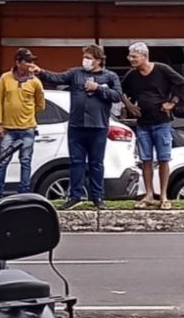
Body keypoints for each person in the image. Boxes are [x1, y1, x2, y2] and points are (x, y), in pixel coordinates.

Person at [34, 44, 122, 210]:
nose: (85, 61)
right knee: (76, 162)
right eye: (85, 57)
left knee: (96, 163)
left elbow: (117, 96)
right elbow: (57, 78)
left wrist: (97, 89)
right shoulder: (76, 74)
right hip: (76, 126)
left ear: (98, 60)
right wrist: (41, 72)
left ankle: (98, 197)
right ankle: (75, 196)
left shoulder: (110, 76)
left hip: (98, 126)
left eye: (89, 58)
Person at [121, 42, 184, 210]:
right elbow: (119, 90)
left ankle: (164, 195)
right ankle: (149, 194)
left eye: (134, 57)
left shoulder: (161, 69)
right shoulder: (132, 75)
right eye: (130, 57)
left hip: (162, 122)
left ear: (144, 56)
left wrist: (172, 103)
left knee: (164, 159)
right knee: (146, 160)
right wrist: (129, 106)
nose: (131, 60)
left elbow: (182, 84)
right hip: (143, 123)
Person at [0, 48, 44, 196]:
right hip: (8, 128)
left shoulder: (35, 82)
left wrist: (29, 115)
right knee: (2, 162)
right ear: (18, 62)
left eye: (32, 61)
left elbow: (40, 104)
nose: (30, 64)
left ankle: (24, 192)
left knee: (25, 161)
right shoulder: (5, 78)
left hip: (27, 128)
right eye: (27, 61)